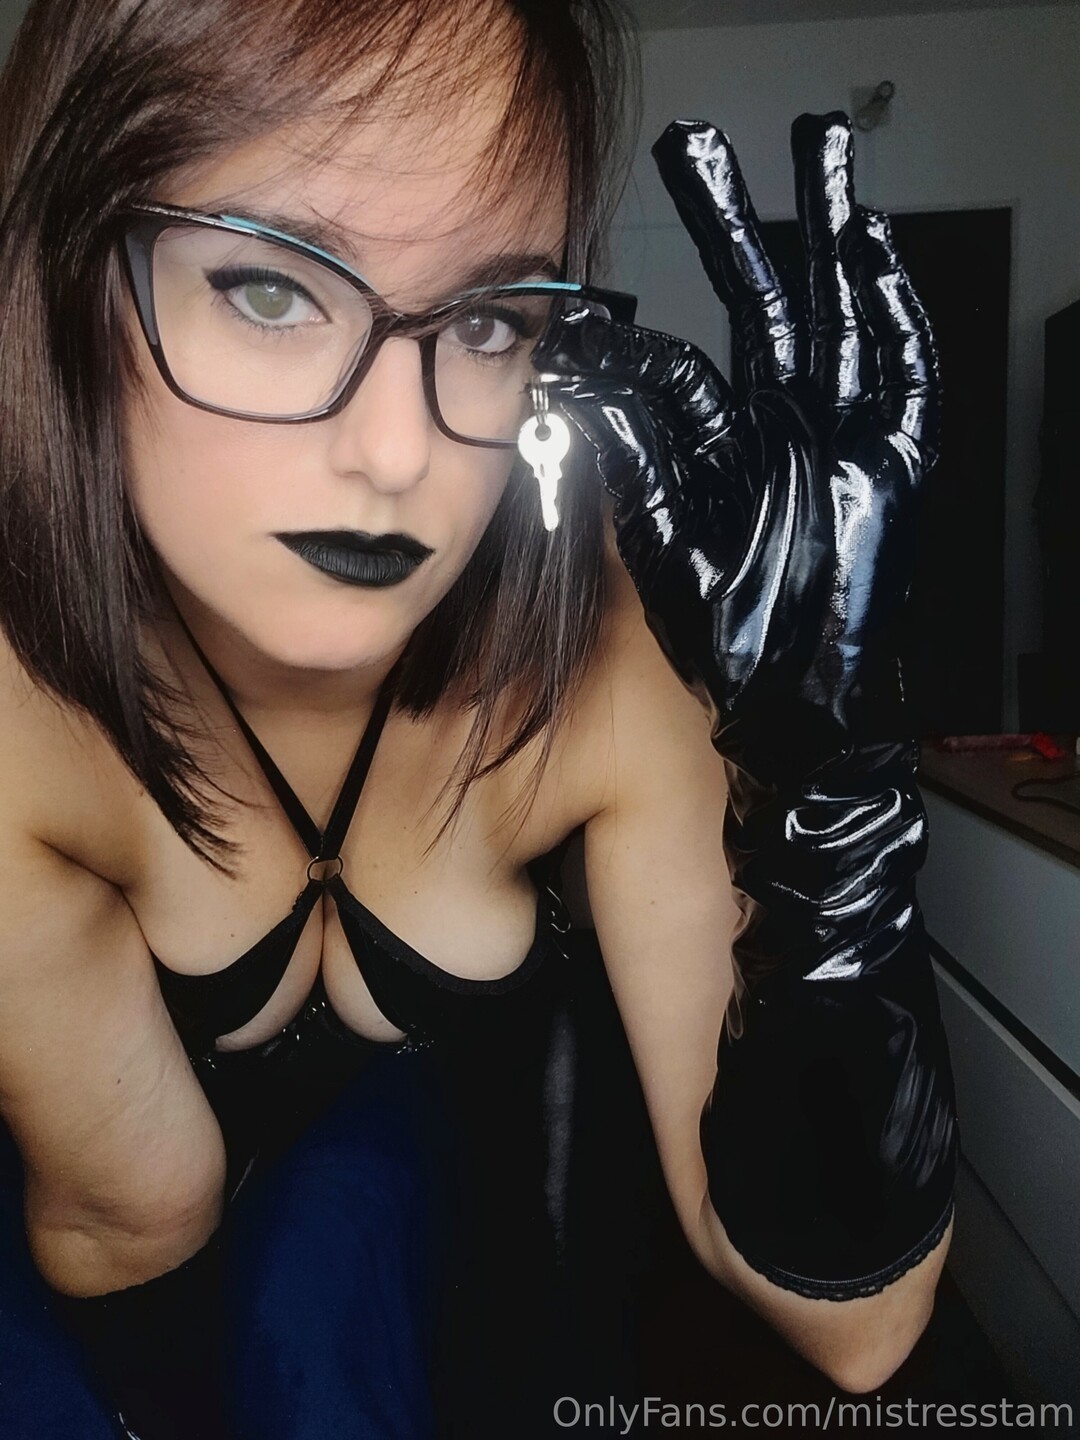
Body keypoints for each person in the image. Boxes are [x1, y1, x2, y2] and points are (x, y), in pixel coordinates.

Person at [0, 0, 960, 1434]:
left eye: (487, 320)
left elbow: (860, 1332)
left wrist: (827, 797)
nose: (396, 450)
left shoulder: (612, 653)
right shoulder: (19, 701)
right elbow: (128, 1213)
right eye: (269, 290)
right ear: (67, 281)